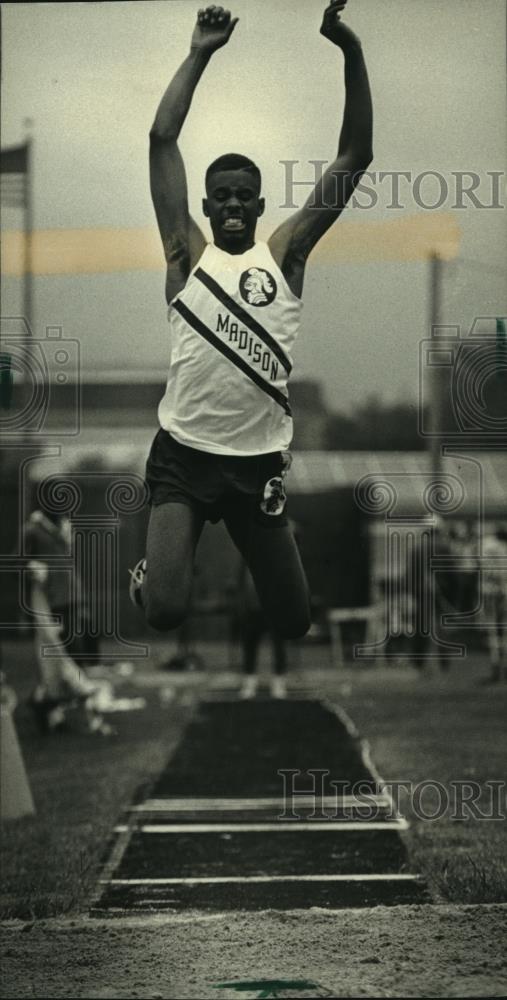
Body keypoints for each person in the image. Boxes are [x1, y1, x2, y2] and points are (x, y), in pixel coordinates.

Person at [130, 2, 373, 648]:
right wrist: (200, 53)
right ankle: (148, 576)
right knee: (162, 612)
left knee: (294, 621)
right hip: (183, 456)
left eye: (245, 196)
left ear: (260, 205)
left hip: (257, 464)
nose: (233, 205)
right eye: (222, 197)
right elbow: (160, 140)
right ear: (206, 207)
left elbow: (353, 157)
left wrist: (347, 49)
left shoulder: (284, 257)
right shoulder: (185, 256)